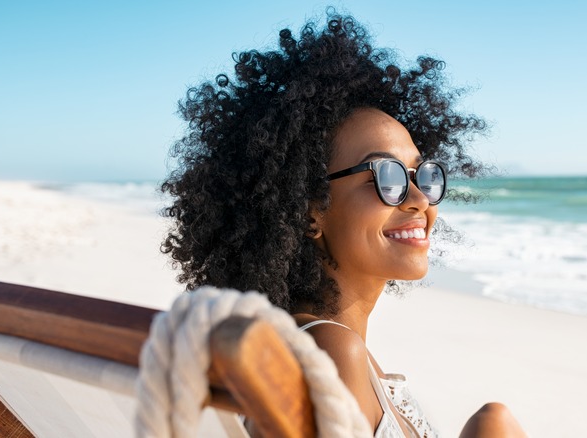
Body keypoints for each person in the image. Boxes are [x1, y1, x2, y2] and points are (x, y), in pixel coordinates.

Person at [161, 10, 527, 438]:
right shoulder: (334, 350)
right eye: (385, 177)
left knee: (494, 420)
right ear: (310, 210)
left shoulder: (321, 342)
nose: (417, 200)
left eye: (421, 175)